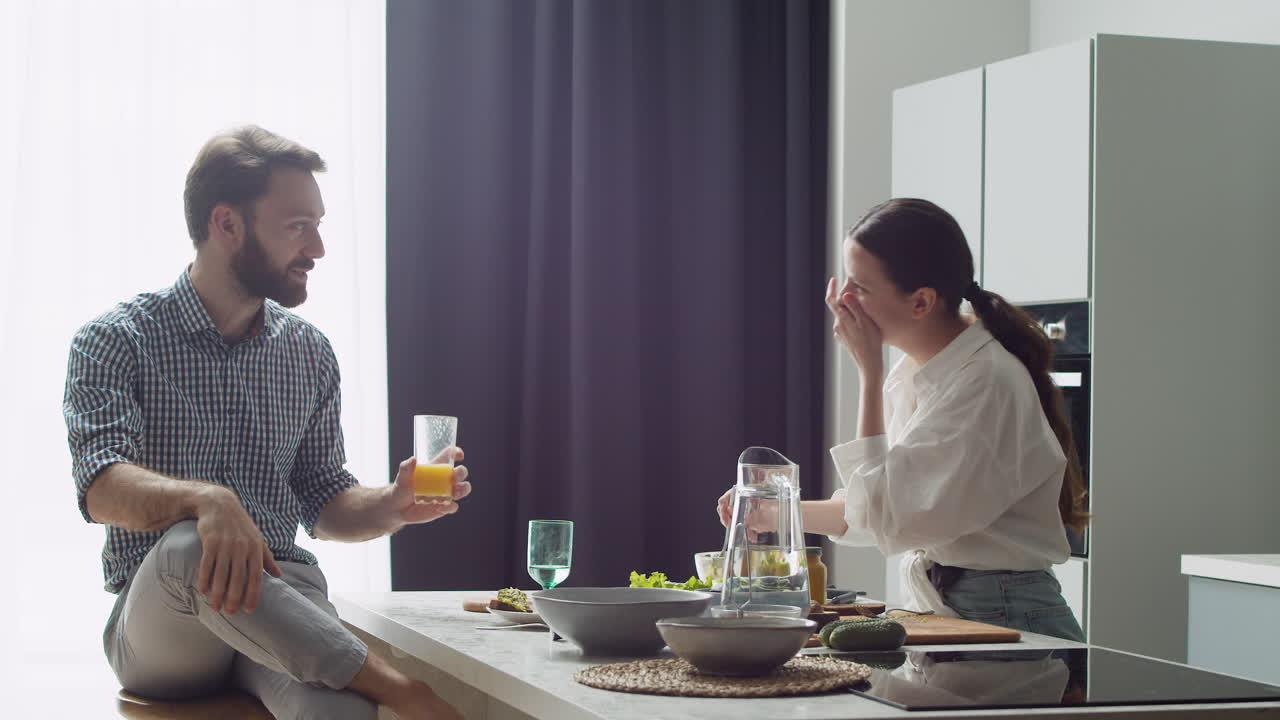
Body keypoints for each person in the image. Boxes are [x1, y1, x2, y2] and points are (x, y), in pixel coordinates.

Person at [63, 126, 470, 719]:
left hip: (282, 597)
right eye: (297, 226)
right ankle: (404, 690)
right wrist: (210, 502)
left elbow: (324, 502)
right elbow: (101, 487)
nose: (319, 249)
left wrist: (393, 503)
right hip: (165, 621)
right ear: (227, 225)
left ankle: (367, 690)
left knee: (336, 713)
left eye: (319, 225)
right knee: (189, 545)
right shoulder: (114, 340)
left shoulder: (308, 351)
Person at [718, 198, 1088, 641]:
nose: (842, 301)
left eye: (860, 287)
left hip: (1004, 612)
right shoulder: (920, 369)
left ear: (921, 302)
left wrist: (868, 374)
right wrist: (775, 513)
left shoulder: (983, 381)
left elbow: (889, 513)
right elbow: (875, 509)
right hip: (959, 605)